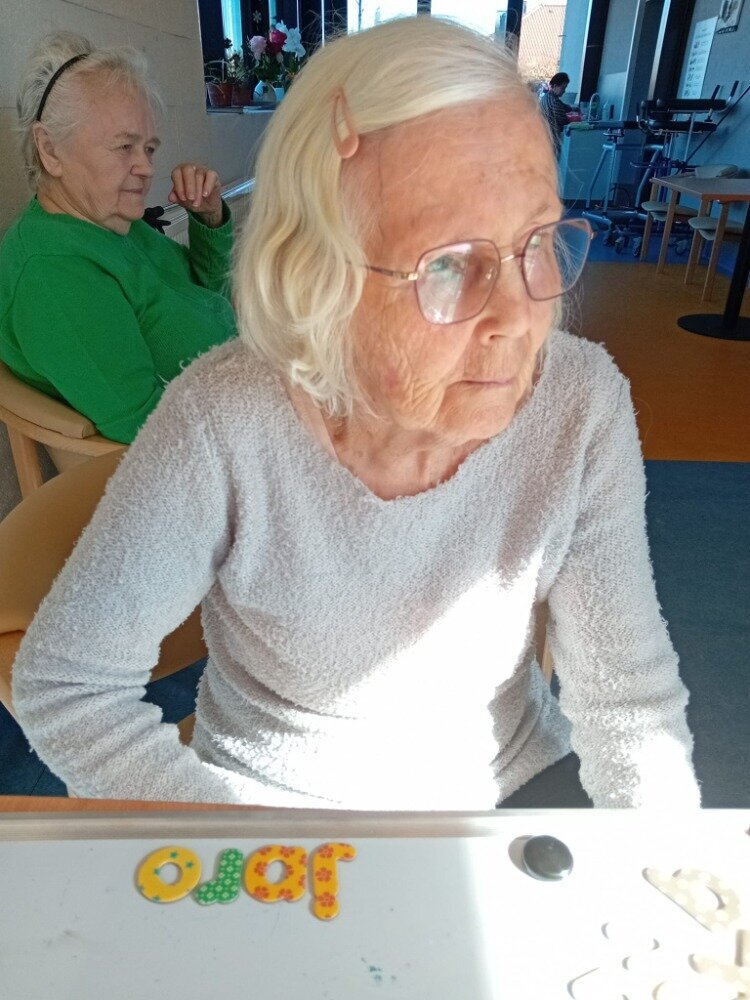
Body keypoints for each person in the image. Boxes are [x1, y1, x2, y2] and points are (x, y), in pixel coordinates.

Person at [13, 17, 700, 810]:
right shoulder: (221, 420)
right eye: (449, 264)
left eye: (537, 240)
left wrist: (665, 859)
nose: (521, 320)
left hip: (503, 790)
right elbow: (67, 686)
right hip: (272, 809)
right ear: (317, 277)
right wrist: (243, 849)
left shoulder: (580, 400)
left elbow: (630, 704)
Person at [0, 32, 236, 445]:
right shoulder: (54, 270)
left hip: (235, 388)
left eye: (149, 148)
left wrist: (209, 218)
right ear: (50, 150)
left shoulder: (112, 224)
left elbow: (211, 298)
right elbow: (149, 429)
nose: (146, 167)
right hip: (211, 446)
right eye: (125, 146)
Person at [539, 71, 574, 157]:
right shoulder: (554, 101)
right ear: (555, 86)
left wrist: (572, 108)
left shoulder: (546, 97)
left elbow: (562, 106)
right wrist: (577, 122)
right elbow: (564, 122)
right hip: (552, 138)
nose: (564, 91)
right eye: (563, 88)